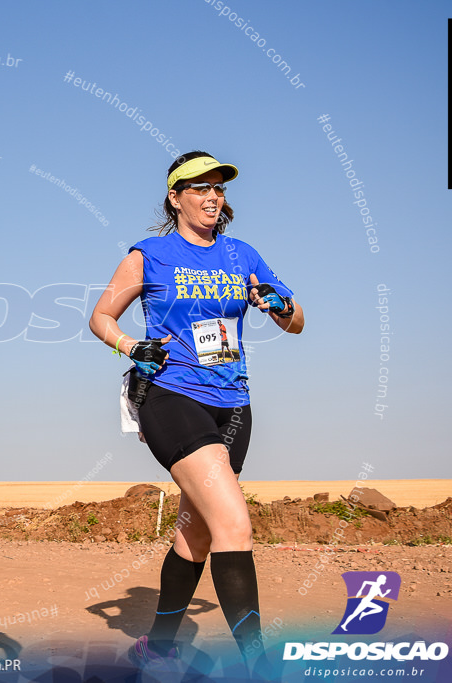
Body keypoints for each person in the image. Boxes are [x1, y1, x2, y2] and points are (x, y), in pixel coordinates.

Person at [89, 151, 304, 674]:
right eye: (200, 187)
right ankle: (257, 664)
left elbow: (296, 321)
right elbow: (100, 315)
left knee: (198, 531)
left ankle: (158, 646)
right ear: (175, 196)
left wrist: (277, 303)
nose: (213, 197)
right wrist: (130, 345)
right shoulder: (150, 255)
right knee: (234, 523)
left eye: (220, 188)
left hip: (232, 403)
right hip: (169, 394)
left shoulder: (242, 253)